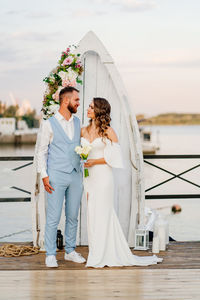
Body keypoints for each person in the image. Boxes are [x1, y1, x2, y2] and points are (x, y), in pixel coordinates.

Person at [81, 97, 163, 268]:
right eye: (88, 106)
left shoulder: (109, 132)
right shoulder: (83, 130)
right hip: (89, 177)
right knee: (91, 214)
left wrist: (94, 162)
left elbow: (115, 158)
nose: (87, 109)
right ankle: (96, 251)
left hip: (103, 177)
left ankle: (104, 254)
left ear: (99, 111)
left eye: (91, 107)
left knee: (103, 213)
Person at [37, 86, 85, 267]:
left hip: (75, 175)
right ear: (66, 101)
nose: (78, 104)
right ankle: (50, 253)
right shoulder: (49, 124)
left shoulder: (77, 121)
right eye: (76, 100)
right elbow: (41, 152)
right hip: (56, 175)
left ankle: (70, 251)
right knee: (53, 216)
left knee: (73, 215)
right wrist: (44, 176)